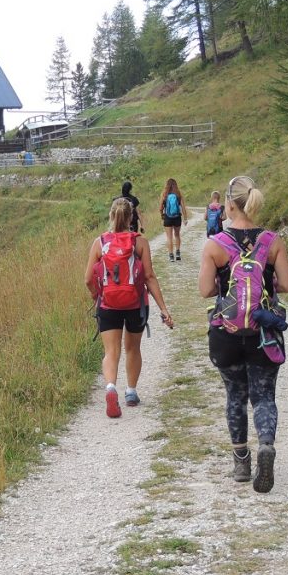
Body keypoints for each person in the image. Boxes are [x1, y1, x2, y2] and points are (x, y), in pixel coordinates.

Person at [198, 175, 288, 493]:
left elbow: (205, 290)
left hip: (226, 334)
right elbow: (287, 285)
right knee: (264, 396)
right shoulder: (273, 241)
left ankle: (241, 461)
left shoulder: (215, 244)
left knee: (235, 397)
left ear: (227, 204)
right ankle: (266, 444)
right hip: (263, 333)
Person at [86, 198, 174, 418]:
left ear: (111, 216)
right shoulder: (140, 242)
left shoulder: (100, 242)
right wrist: (163, 309)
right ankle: (131, 392)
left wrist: (97, 296)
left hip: (108, 303)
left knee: (111, 351)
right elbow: (149, 277)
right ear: (132, 218)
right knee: (133, 348)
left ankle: (110, 387)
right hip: (136, 303)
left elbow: (88, 279)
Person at [158, 178, 189, 261]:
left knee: (169, 237)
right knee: (177, 235)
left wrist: (162, 215)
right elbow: (183, 207)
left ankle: (171, 255)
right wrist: (185, 218)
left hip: (167, 218)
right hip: (177, 217)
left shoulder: (164, 194)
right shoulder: (178, 194)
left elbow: (160, 207)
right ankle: (178, 252)